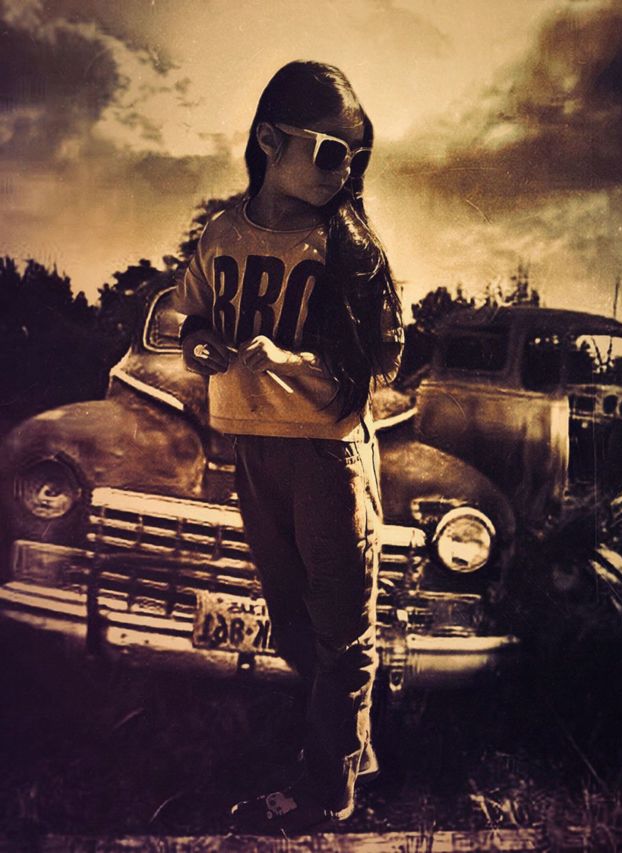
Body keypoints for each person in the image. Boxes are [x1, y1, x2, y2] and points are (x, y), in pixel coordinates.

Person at [173, 60, 404, 834]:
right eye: (331, 151)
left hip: (328, 456)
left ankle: (327, 793)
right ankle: (352, 747)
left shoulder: (350, 247)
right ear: (269, 141)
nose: (346, 171)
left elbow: (383, 362)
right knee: (293, 620)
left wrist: (289, 361)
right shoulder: (222, 233)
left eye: (356, 156)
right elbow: (191, 316)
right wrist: (201, 345)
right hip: (254, 448)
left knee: (341, 628)